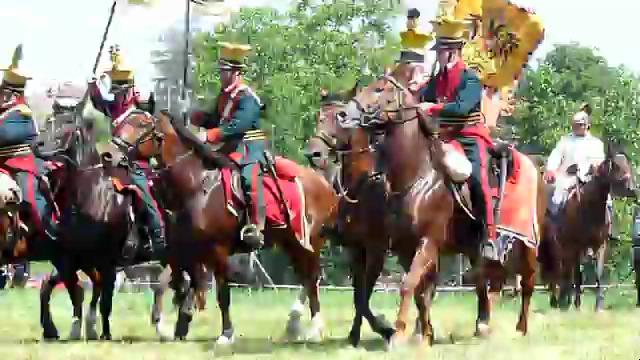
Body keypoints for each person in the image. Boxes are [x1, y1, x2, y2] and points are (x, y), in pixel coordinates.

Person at [415, 16, 501, 263]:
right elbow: (421, 98)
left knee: (478, 178)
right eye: (438, 51)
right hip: (442, 137)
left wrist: (431, 109)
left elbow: (462, 108)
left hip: (470, 136)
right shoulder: (436, 78)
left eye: (440, 52)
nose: (437, 56)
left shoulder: (470, 79)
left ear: (452, 53)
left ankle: (490, 236)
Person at [88, 44, 166, 261]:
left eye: (122, 93)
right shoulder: (116, 112)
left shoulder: (140, 117)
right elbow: (99, 102)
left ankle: (159, 237)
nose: (118, 97)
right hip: (113, 166)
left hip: (135, 167)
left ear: (130, 92)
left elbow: (143, 149)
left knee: (143, 194)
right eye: (116, 92)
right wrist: (93, 84)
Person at [187, 41, 266, 249]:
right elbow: (217, 119)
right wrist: (196, 116)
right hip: (229, 146)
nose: (221, 75)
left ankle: (256, 226)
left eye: (225, 71)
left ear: (236, 73)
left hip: (249, 145)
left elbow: (238, 126)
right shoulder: (224, 96)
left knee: (248, 179)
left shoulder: (248, 97)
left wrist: (209, 135)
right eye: (221, 71)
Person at [0, 44, 57, 245]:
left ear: (12, 93)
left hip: (21, 163)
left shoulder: (20, 113)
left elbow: (4, 135)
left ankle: (49, 232)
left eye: (3, 91)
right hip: (2, 164)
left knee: (30, 196)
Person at [544, 103, 611, 238]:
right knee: (557, 197)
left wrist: (594, 166)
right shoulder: (565, 141)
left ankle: (608, 230)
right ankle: (554, 227)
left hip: (589, 179)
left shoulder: (596, 143)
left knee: (607, 200)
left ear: (587, 125)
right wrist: (551, 170)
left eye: (580, 124)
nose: (578, 126)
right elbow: (555, 156)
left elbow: (600, 161)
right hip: (567, 177)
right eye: (576, 124)